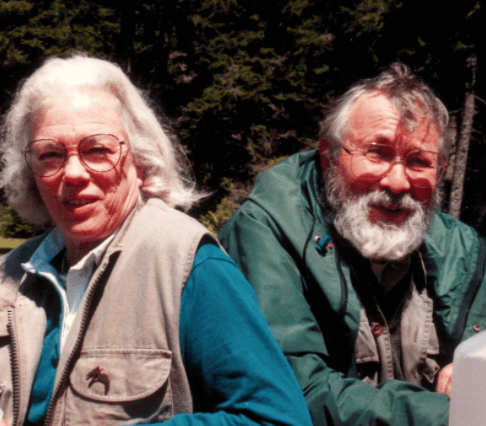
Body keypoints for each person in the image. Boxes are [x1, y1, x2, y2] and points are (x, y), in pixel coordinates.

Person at [0, 54, 312, 426]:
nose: (72, 173)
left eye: (97, 150)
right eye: (50, 154)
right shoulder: (12, 275)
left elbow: (276, 419)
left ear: (141, 164)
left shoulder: (189, 265)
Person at [219, 63, 486, 425]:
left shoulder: (461, 248)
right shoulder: (266, 230)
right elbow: (295, 389)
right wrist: (454, 417)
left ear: (440, 173)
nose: (397, 182)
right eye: (377, 153)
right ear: (329, 157)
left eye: (419, 161)